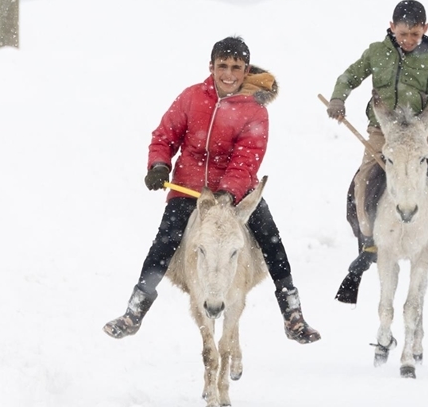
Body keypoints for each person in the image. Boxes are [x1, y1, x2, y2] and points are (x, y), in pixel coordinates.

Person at [103, 37, 321, 344]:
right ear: (211, 67)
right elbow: (165, 136)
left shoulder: (255, 111)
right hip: (188, 189)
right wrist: (159, 165)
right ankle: (134, 311)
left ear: (246, 71)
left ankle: (292, 314)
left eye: (236, 68)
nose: (228, 74)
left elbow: (247, 158)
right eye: (222, 66)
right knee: (163, 245)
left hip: (237, 194)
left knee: (272, 242)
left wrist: (227, 195)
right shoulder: (191, 98)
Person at [326, 0, 428, 301]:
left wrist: (421, 127)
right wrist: (338, 99)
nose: (408, 40)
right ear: (392, 27)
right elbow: (349, 77)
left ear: (425, 30)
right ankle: (369, 241)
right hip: (383, 130)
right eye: (403, 33)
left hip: (423, 130)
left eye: (415, 35)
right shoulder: (376, 52)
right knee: (363, 180)